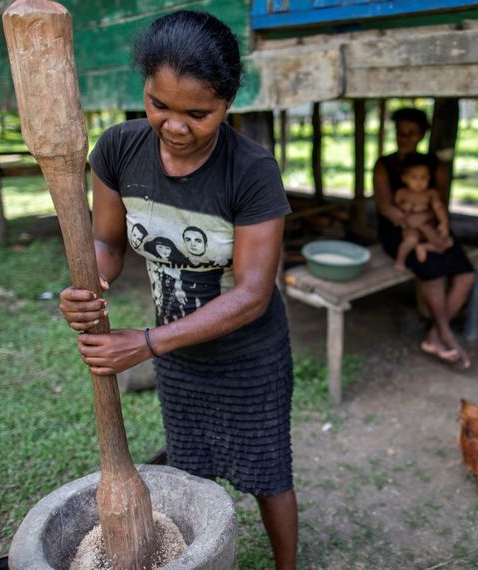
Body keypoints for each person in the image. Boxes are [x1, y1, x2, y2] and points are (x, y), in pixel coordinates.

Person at [57, 11, 298, 568]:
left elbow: (253, 294)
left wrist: (146, 343)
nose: (175, 126)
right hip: (178, 354)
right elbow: (108, 242)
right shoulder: (119, 150)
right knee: (190, 466)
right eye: (159, 104)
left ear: (227, 103)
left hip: (248, 356)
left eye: (198, 113)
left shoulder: (251, 171)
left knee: (268, 473)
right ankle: (199, 556)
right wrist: (90, 282)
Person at [373, 107, 476, 369]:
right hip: (399, 232)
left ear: (422, 135)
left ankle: (434, 335)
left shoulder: (434, 165)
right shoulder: (384, 165)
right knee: (434, 272)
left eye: (411, 132)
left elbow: (440, 203)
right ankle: (446, 335)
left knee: (466, 275)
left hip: (431, 228)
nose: (405, 137)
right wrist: (409, 220)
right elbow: (384, 205)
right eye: (401, 132)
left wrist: (428, 222)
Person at [392, 154, 454, 271]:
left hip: (427, 226)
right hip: (411, 228)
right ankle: (400, 260)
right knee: (410, 240)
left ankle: (424, 247)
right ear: (404, 178)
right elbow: (395, 209)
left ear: (429, 178)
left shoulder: (431, 193)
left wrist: (444, 223)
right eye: (414, 177)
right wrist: (404, 207)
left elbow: (439, 208)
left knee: (447, 242)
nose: (419, 182)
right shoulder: (402, 193)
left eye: (423, 177)